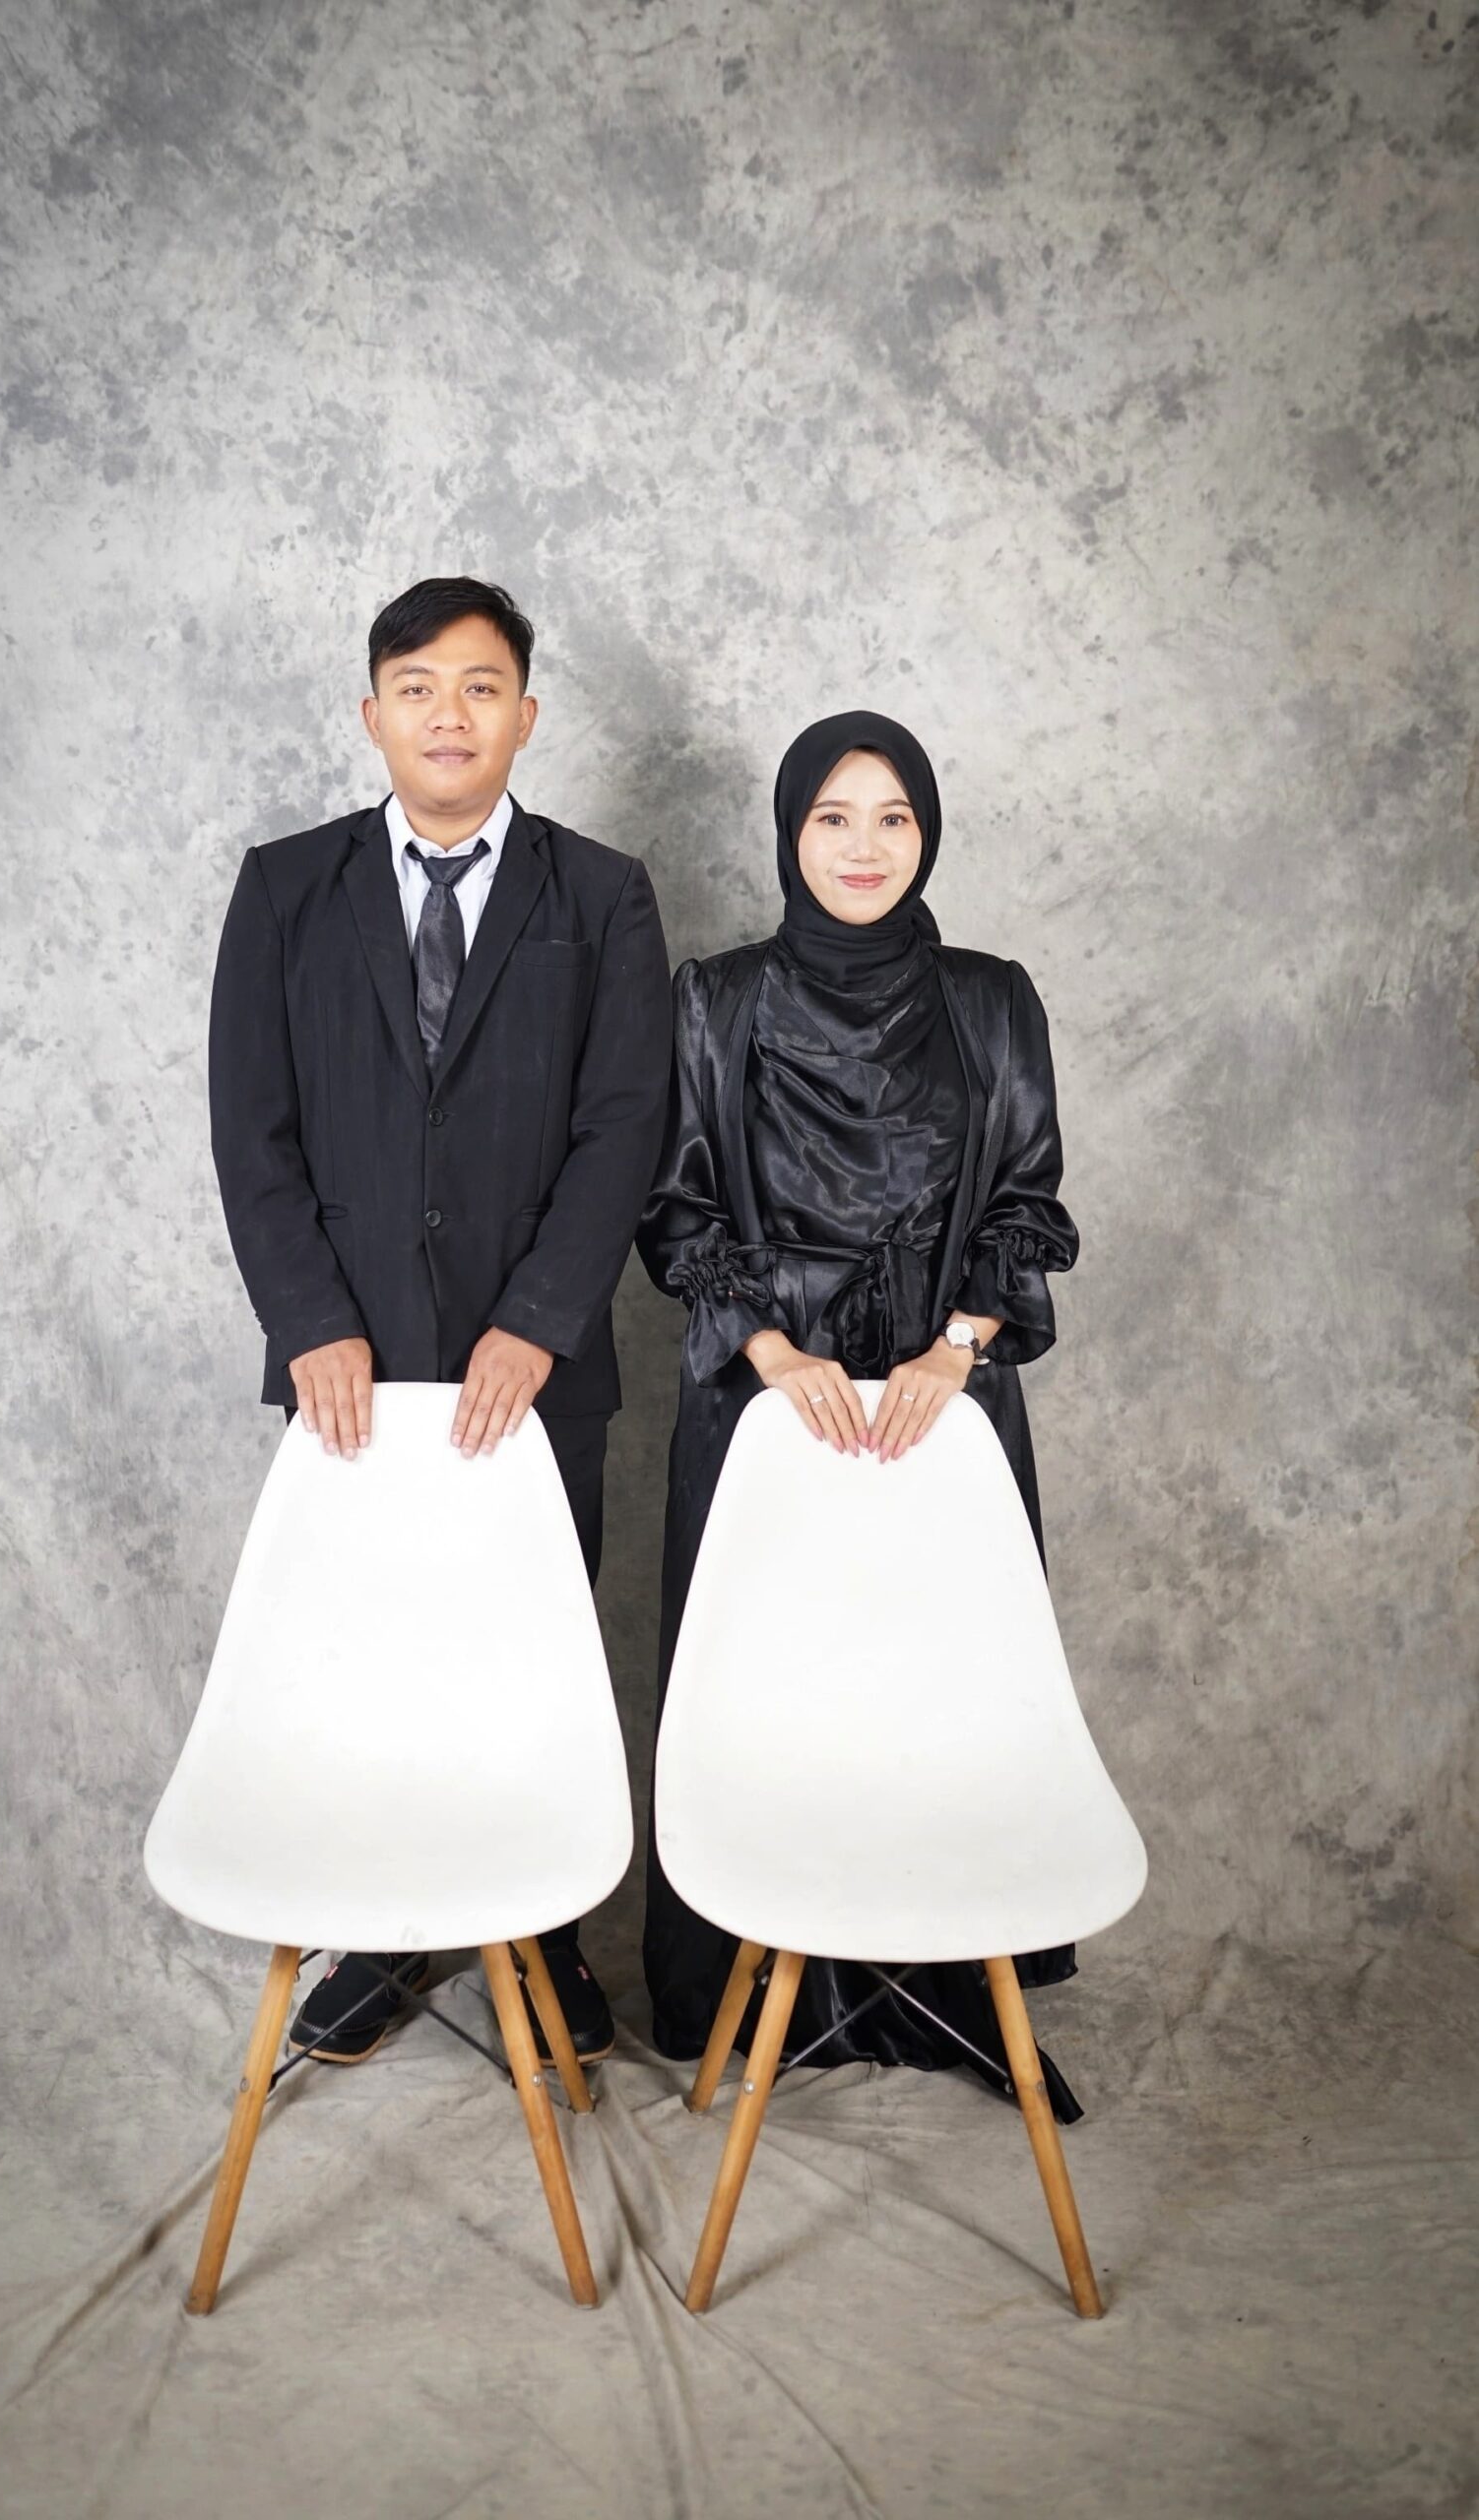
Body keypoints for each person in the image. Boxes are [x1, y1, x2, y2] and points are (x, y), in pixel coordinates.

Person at [207, 576, 672, 2067]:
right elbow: (252, 1130)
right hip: (348, 1370)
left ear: (525, 716)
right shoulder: (287, 889)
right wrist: (309, 1320)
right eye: (417, 688)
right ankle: (393, 1936)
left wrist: (541, 1318)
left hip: (535, 1373)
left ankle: (545, 1937)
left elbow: (624, 1124)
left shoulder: (601, 895)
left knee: (536, 1664)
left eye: (480, 688)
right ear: (373, 716)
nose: (449, 714)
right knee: (374, 1661)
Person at [636, 709, 1085, 2118]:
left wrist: (957, 1351)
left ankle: (941, 1986)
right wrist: (774, 1350)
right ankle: (762, 1992)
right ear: (791, 834)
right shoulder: (715, 1000)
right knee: (771, 1697)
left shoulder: (993, 1001)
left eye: (894, 817)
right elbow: (676, 1209)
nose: (864, 845)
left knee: (943, 1697)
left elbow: (1028, 1201)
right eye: (833, 816)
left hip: (943, 1413)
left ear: (927, 833)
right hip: (769, 1409)